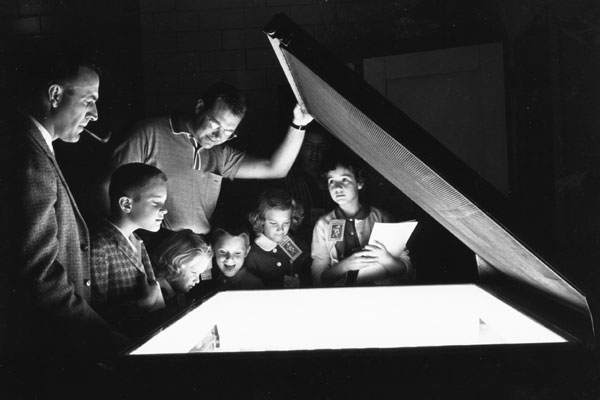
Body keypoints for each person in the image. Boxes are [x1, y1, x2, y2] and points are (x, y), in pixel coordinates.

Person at [0, 53, 128, 368]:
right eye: (89, 101)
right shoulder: (30, 159)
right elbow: (40, 276)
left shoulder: (32, 147)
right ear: (55, 95)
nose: (95, 114)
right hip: (42, 350)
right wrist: (107, 339)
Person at [112, 82, 313, 235]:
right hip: (158, 246)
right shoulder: (149, 133)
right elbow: (108, 187)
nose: (218, 137)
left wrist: (299, 124)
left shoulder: (220, 153)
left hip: (200, 250)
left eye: (228, 132)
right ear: (200, 107)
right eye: (215, 125)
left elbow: (275, 169)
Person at [90, 163, 168, 337]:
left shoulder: (137, 240)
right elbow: (92, 314)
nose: (165, 210)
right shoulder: (99, 246)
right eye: (156, 203)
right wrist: (142, 304)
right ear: (126, 204)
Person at [311, 156, 414, 287]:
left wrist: (385, 259)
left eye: (344, 179)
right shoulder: (323, 224)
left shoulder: (382, 218)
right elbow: (317, 277)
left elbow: (407, 271)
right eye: (331, 181)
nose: (337, 188)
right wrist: (344, 266)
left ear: (359, 183)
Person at [245, 187, 312, 288]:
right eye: (273, 223)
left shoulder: (299, 245)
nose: (280, 229)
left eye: (286, 223)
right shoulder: (253, 254)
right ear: (260, 220)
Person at [281, 122, 333, 242]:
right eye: (309, 146)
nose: (315, 153)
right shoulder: (287, 178)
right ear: (301, 146)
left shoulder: (332, 178)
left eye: (320, 147)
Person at [152, 229, 213, 315]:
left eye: (199, 274)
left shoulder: (176, 293)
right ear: (175, 262)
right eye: (194, 272)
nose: (197, 280)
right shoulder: (157, 295)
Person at [211, 225, 264, 290]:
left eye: (237, 253)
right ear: (213, 249)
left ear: (246, 252)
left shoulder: (255, 286)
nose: (230, 259)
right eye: (223, 251)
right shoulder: (206, 281)